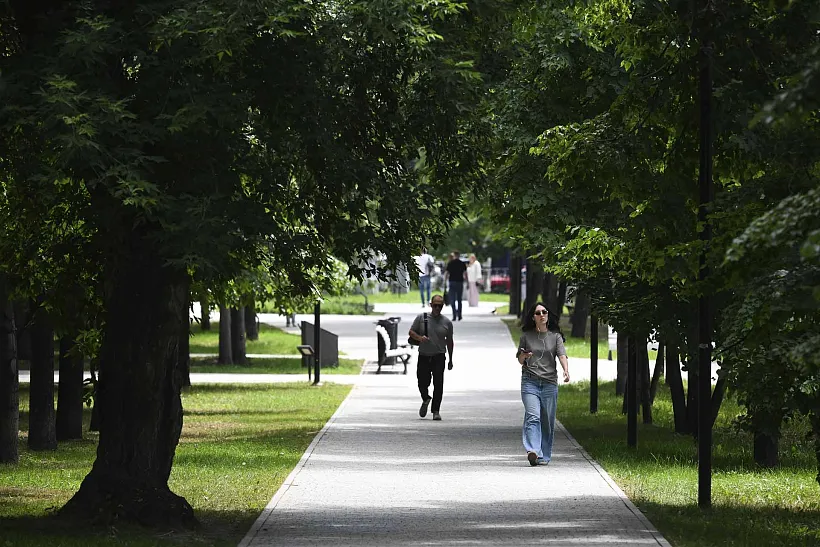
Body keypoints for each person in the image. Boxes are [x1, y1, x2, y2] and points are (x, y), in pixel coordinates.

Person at [515, 302, 570, 466]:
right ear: (533, 317)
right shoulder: (526, 336)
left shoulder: (555, 336)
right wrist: (524, 356)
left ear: (547, 315)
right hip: (530, 382)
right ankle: (533, 450)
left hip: (549, 383)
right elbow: (519, 359)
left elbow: (562, 355)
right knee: (533, 416)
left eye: (544, 312)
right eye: (538, 313)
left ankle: (543, 455)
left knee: (547, 420)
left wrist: (566, 370)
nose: (541, 315)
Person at [408, 293, 454, 421]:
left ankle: (436, 411)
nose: (438, 308)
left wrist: (450, 359)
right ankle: (426, 398)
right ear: (431, 305)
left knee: (438, 384)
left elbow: (450, 341)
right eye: (435, 306)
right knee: (422, 382)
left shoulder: (447, 322)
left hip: (439, 356)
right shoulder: (421, 318)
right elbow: (411, 332)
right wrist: (419, 338)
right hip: (424, 355)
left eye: (440, 306)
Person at [444, 251, 467, 321]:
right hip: (460, 282)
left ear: (454, 255)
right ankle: (459, 315)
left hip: (452, 282)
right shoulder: (462, 263)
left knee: (452, 299)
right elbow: (465, 274)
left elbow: (447, 273)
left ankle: (454, 315)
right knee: (459, 299)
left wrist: (445, 282)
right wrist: (467, 281)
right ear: (459, 255)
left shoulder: (450, 263)